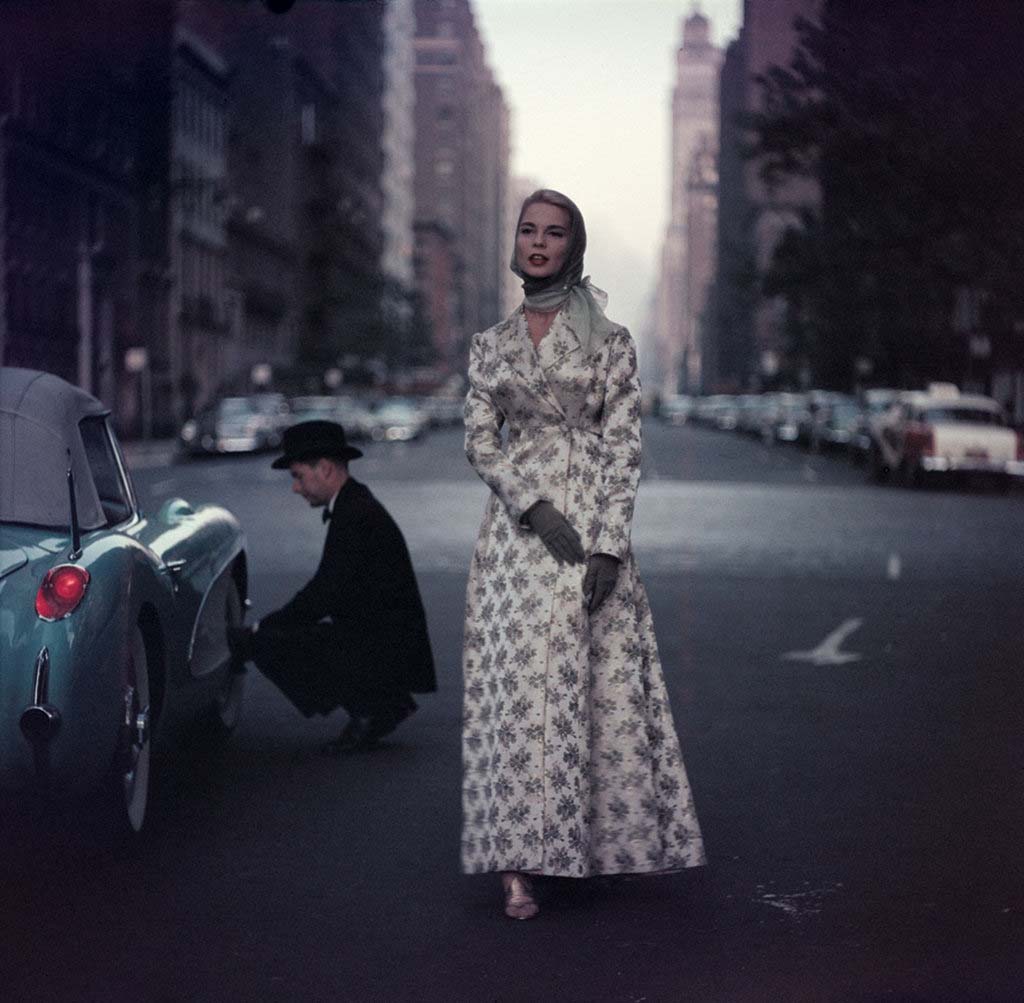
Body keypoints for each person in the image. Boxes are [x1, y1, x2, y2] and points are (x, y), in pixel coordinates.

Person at [461, 190, 705, 920]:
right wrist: (529, 504)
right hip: (514, 545)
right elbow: (478, 440)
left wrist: (606, 545)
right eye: (529, 230)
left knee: (590, 692)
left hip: (590, 531)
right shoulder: (490, 345)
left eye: (554, 232)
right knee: (513, 701)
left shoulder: (611, 341)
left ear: (574, 245)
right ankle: (517, 867)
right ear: (517, 243)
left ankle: (590, 848)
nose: (539, 242)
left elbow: (624, 447)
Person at [228, 420, 436, 754]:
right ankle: (384, 702)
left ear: (324, 469)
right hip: (383, 640)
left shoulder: (355, 514)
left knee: (270, 642)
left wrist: (260, 630)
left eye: (298, 476)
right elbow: (332, 592)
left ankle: (373, 710)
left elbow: (323, 593)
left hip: (384, 649)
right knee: (285, 634)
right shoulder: (355, 504)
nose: (296, 488)